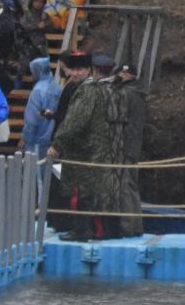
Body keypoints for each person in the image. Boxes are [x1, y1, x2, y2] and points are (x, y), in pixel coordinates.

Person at [47, 55, 141, 239]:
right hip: (113, 149)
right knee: (108, 192)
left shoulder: (89, 91)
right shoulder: (118, 90)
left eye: (79, 70)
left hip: (86, 151)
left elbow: (75, 122)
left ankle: (82, 230)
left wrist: (57, 144)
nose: (74, 74)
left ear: (93, 70)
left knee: (81, 190)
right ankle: (109, 230)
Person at [20, 56, 62, 159]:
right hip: (52, 139)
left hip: (36, 140)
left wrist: (25, 138)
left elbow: (32, 119)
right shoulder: (57, 87)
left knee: (33, 172)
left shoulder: (38, 90)